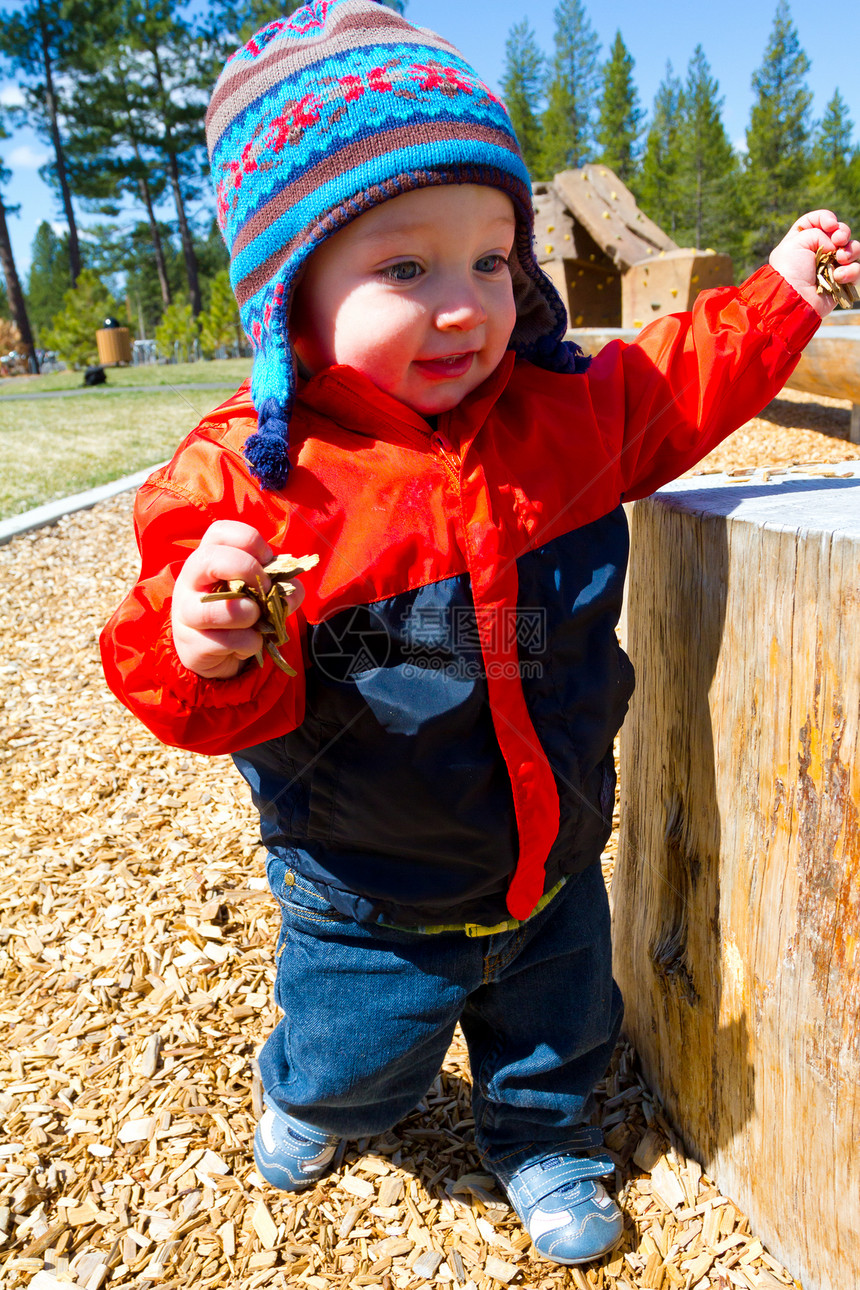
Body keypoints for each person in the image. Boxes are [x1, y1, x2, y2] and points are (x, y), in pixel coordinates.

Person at [100, 0, 860, 1268]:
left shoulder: (552, 419)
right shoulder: (257, 483)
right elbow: (190, 688)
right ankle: (309, 1095)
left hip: (555, 846)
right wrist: (204, 636)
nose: (463, 306)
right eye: (404, 269)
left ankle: (544, 1140)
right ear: (290, 295)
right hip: (365, 882)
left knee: (558, 1023)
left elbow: (672, 383)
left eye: (490, 261)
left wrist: (780, 298)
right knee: (359, 1058)